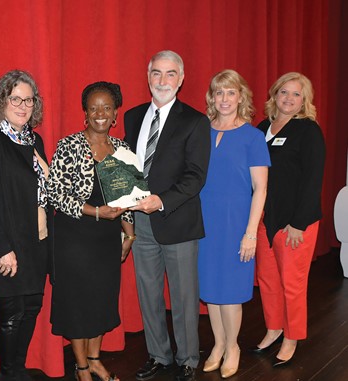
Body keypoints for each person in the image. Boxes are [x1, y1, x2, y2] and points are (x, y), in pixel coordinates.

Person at [124, 50, 211, 381]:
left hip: (177, 220)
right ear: (148, 76)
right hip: (141, 222)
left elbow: (195, 176)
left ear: (181, 78)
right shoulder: (133, 117)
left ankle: (188, 358)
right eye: (157, 73)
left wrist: (160, 200)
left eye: (170, 74)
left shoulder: (194, 121)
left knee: (184, 295)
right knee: (148, 292)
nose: (163, 80)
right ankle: (159, 355)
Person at [47, 82, 135, 381]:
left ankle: (96, 359)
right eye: (94, 107)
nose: (100, 113)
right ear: (85, 112)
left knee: (101, 299)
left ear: (115, 114)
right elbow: (55, 193)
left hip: (107, 239)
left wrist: (129, 235)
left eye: (106, 108)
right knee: (78, 303)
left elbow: (128, 198)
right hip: (74, 237)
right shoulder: (68, 146)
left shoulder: (122, 149)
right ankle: (82, 367)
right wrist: (94, 211)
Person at [0, 70, 52, 381]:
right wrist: (1, 247)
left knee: (32, 307)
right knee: (11, 313)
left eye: (28, 100)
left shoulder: (35, 140)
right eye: (15, 99)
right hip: (7, 243)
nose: (22, 106)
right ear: (1, 101)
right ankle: (8, 374)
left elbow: (45, 189)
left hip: (38, 239)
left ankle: (18, 370)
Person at [198, 70, 270, 378]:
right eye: (219, 93)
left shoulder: (252, 136)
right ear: (212, 98)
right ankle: (217, 344)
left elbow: (261, 189)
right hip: (204, 222)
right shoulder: (202, 131)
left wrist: (250, 234)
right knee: (211, 289)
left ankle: (233, 347)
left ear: (240, 97)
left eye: (230, 93)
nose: (224, 99)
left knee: (230, 291)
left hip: (236, 223)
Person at [252, 72, 325, 367]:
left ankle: (292, 336)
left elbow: (313, 180)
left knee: (292, 283)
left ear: (304, 101)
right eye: (284, 92)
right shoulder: (262, 128)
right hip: (265, 219)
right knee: (268, 280)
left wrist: (299, 222)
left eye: (296, 94)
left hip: (295, 223)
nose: (289, 99)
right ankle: (274, 328)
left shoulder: (308, 131)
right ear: (274, 95)